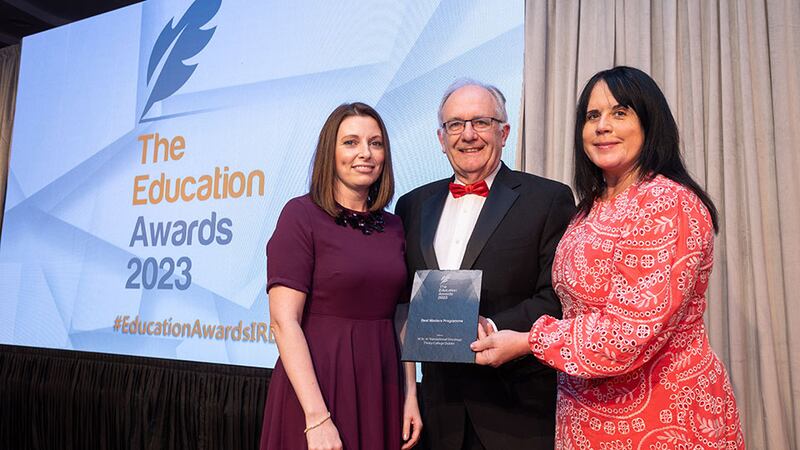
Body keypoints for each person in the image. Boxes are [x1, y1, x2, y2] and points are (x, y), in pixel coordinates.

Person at [471, 66, 745, 448]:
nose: (602, 126)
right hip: (584, 415)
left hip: (663, 415)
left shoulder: (668, 203)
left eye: (620, 113)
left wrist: (528, 341)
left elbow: (629, 332)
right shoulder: (590, 207)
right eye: (592, 116)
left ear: (650, 122)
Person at [395, 79, 576, 450]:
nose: (468, 135)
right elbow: (405, 303)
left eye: (481, 122)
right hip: (438, 412)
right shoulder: (412, 205)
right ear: (441, 138)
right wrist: (409, 391)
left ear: (504, 132)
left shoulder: (548, 199)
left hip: (516, 414)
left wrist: (492, 327)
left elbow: (557, 298)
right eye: (455, 125)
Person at [260, 102, 422, 450]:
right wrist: (317, 417)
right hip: (318, 386)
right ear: (329, 153)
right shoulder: (300, 216)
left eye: (375, 143)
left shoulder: (394, 226)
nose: (365, 153)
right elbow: (283, 321)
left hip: (381, 384)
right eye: (351, 142)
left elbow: (402, 315)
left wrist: (410, 393)